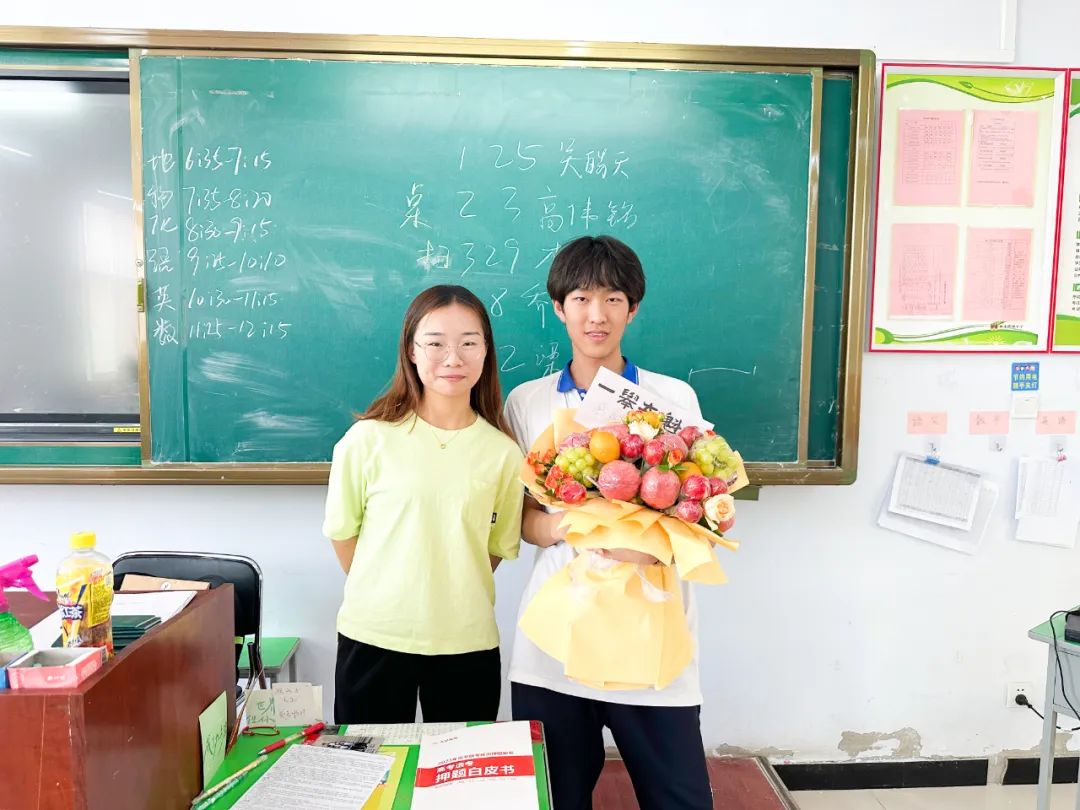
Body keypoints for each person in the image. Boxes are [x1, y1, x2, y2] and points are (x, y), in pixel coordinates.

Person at [505, 236, 713, 810]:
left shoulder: (672, 397)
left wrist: (653, 545)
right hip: (555, 641)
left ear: (633, 308)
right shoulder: (526, 402)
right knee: (556, 798)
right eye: (581, 299)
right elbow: (522, 517)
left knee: (679, 798)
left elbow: (700, 506)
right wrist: (568, 529)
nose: (596, 315)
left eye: (613, 299)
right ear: (559, 308)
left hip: (651, 634)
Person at [324, 284, 524, 724]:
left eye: (468, 343)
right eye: (435, 343)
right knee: (371, 763)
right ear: (411, 351)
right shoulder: (367, 439)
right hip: (374, 636)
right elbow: (343, 534)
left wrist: (446, 584)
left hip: (467, 641)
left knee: (461, 765)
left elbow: (493, 549)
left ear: (486, 352)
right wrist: (392, 586)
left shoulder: (504, 454)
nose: (453, 359)